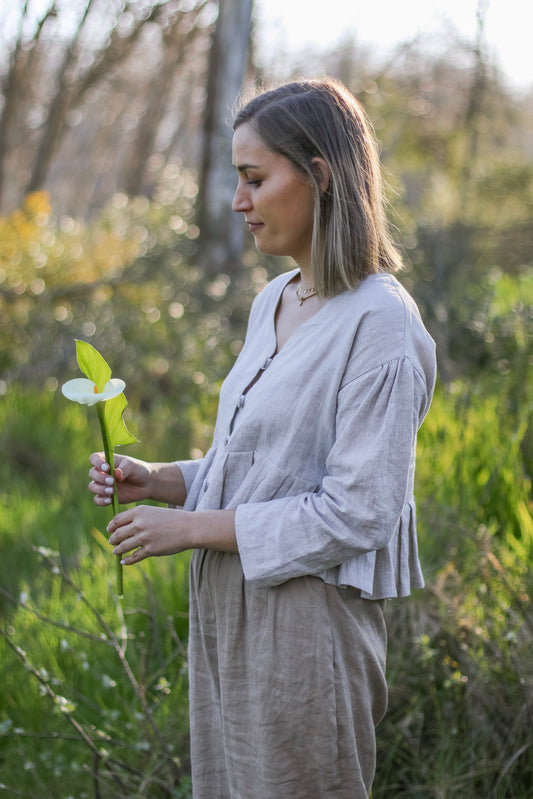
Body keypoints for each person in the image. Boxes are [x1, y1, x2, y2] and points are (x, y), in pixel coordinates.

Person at [89, 77, 436, 798]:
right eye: (236, 180)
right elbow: (262, 464)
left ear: (319, 175)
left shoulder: (381, 324)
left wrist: (188, 525)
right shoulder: (274, 299)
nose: (238, 202)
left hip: (306, 627)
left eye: (253, 179)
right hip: (228, 610)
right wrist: (159, 476)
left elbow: (357, 510)